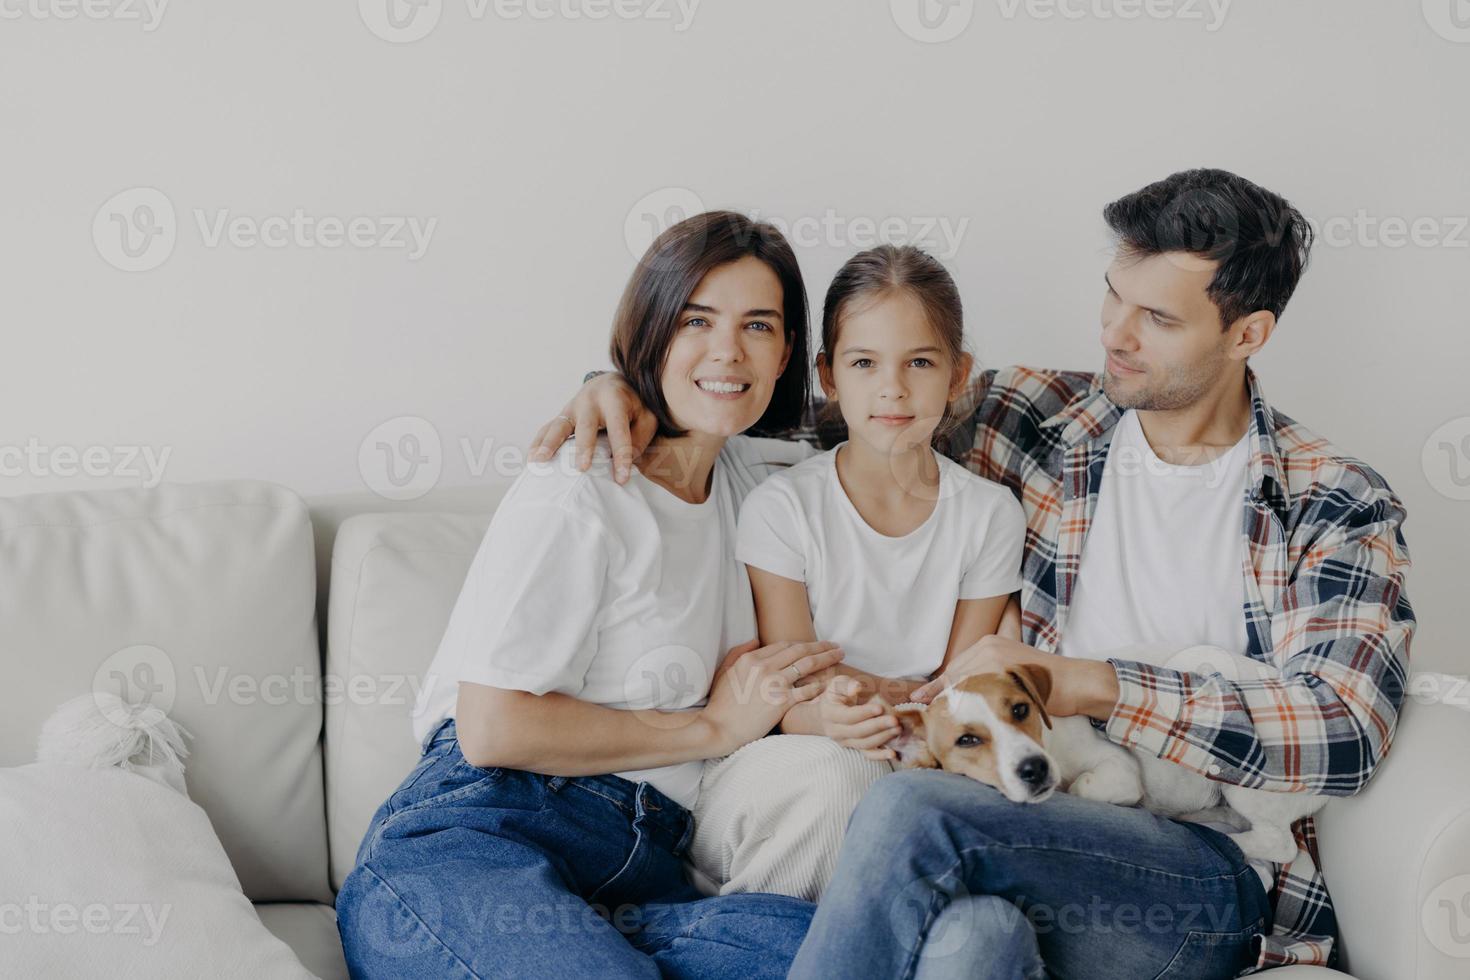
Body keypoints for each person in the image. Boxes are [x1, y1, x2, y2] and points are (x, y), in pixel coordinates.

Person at [533, 169, 1416, 977]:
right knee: (972, 941)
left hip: (1196, 870)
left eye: (1159, 319)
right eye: (1114, 296)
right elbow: (830, 410)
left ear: (1247, 334)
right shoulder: (1039, 417)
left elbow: (1342, 729)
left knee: (909, 809)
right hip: (1017, 820)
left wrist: (1091, 685)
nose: (1116, 335)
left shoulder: (1332, 501)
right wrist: (625, 390)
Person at [336, 210, 843, 979]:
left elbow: (894, 405)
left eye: (759, 326)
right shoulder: (579, 484)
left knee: (875, 951)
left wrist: (603, 381)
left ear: (787, 358)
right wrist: (710, 728)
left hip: (648, 883)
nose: (727, 351)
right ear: (649, 331)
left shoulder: (757, 481)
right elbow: (492, 726)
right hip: (486, 831)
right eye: (694, 319)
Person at [687, 244, 1026, 902]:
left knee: (927, 807)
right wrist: (838, 712)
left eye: (919, 363)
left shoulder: (988, 514)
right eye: (864, 363)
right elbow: (793, 678)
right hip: (796, 748)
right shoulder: (784, 506)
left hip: (918, 751)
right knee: (843, 781)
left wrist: (902, 703)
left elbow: (960, 686)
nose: (892, 388)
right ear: (829, 376)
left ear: (958, 375)